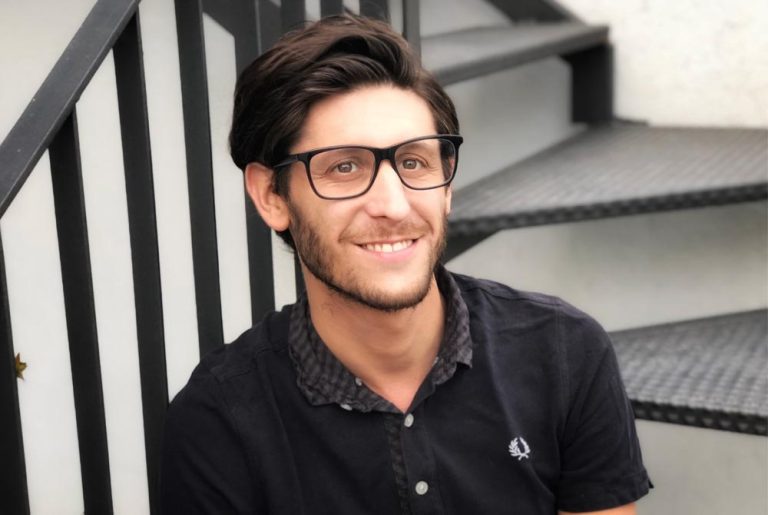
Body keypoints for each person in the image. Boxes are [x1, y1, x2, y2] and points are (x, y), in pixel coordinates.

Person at [160, 14, 651, 515]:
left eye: (414, 162)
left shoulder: (564, 351)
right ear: (271, 195)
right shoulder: (217, 422)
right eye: (345, 166)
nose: (394, 206)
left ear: (447, 184)